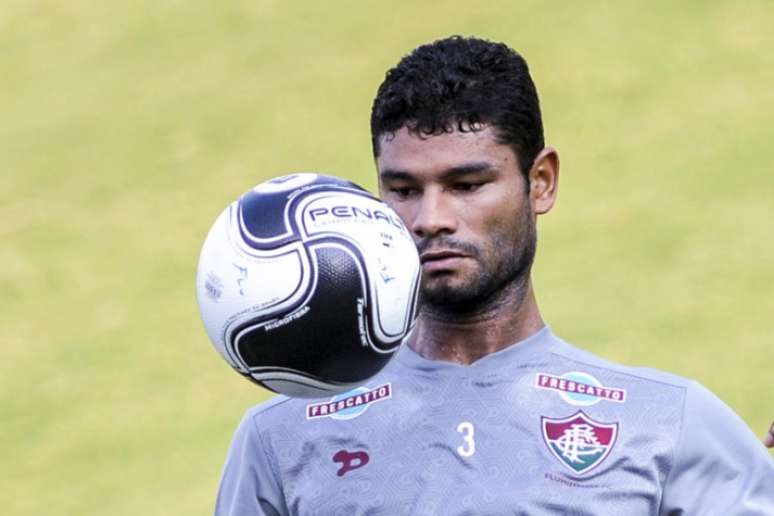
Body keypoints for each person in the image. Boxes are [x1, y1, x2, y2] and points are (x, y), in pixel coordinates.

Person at [215, 36, 774, 515]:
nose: (430, 219)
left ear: (541, 182)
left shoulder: (666, 426)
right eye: (404, 190)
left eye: (467, 184)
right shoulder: (283, 438)